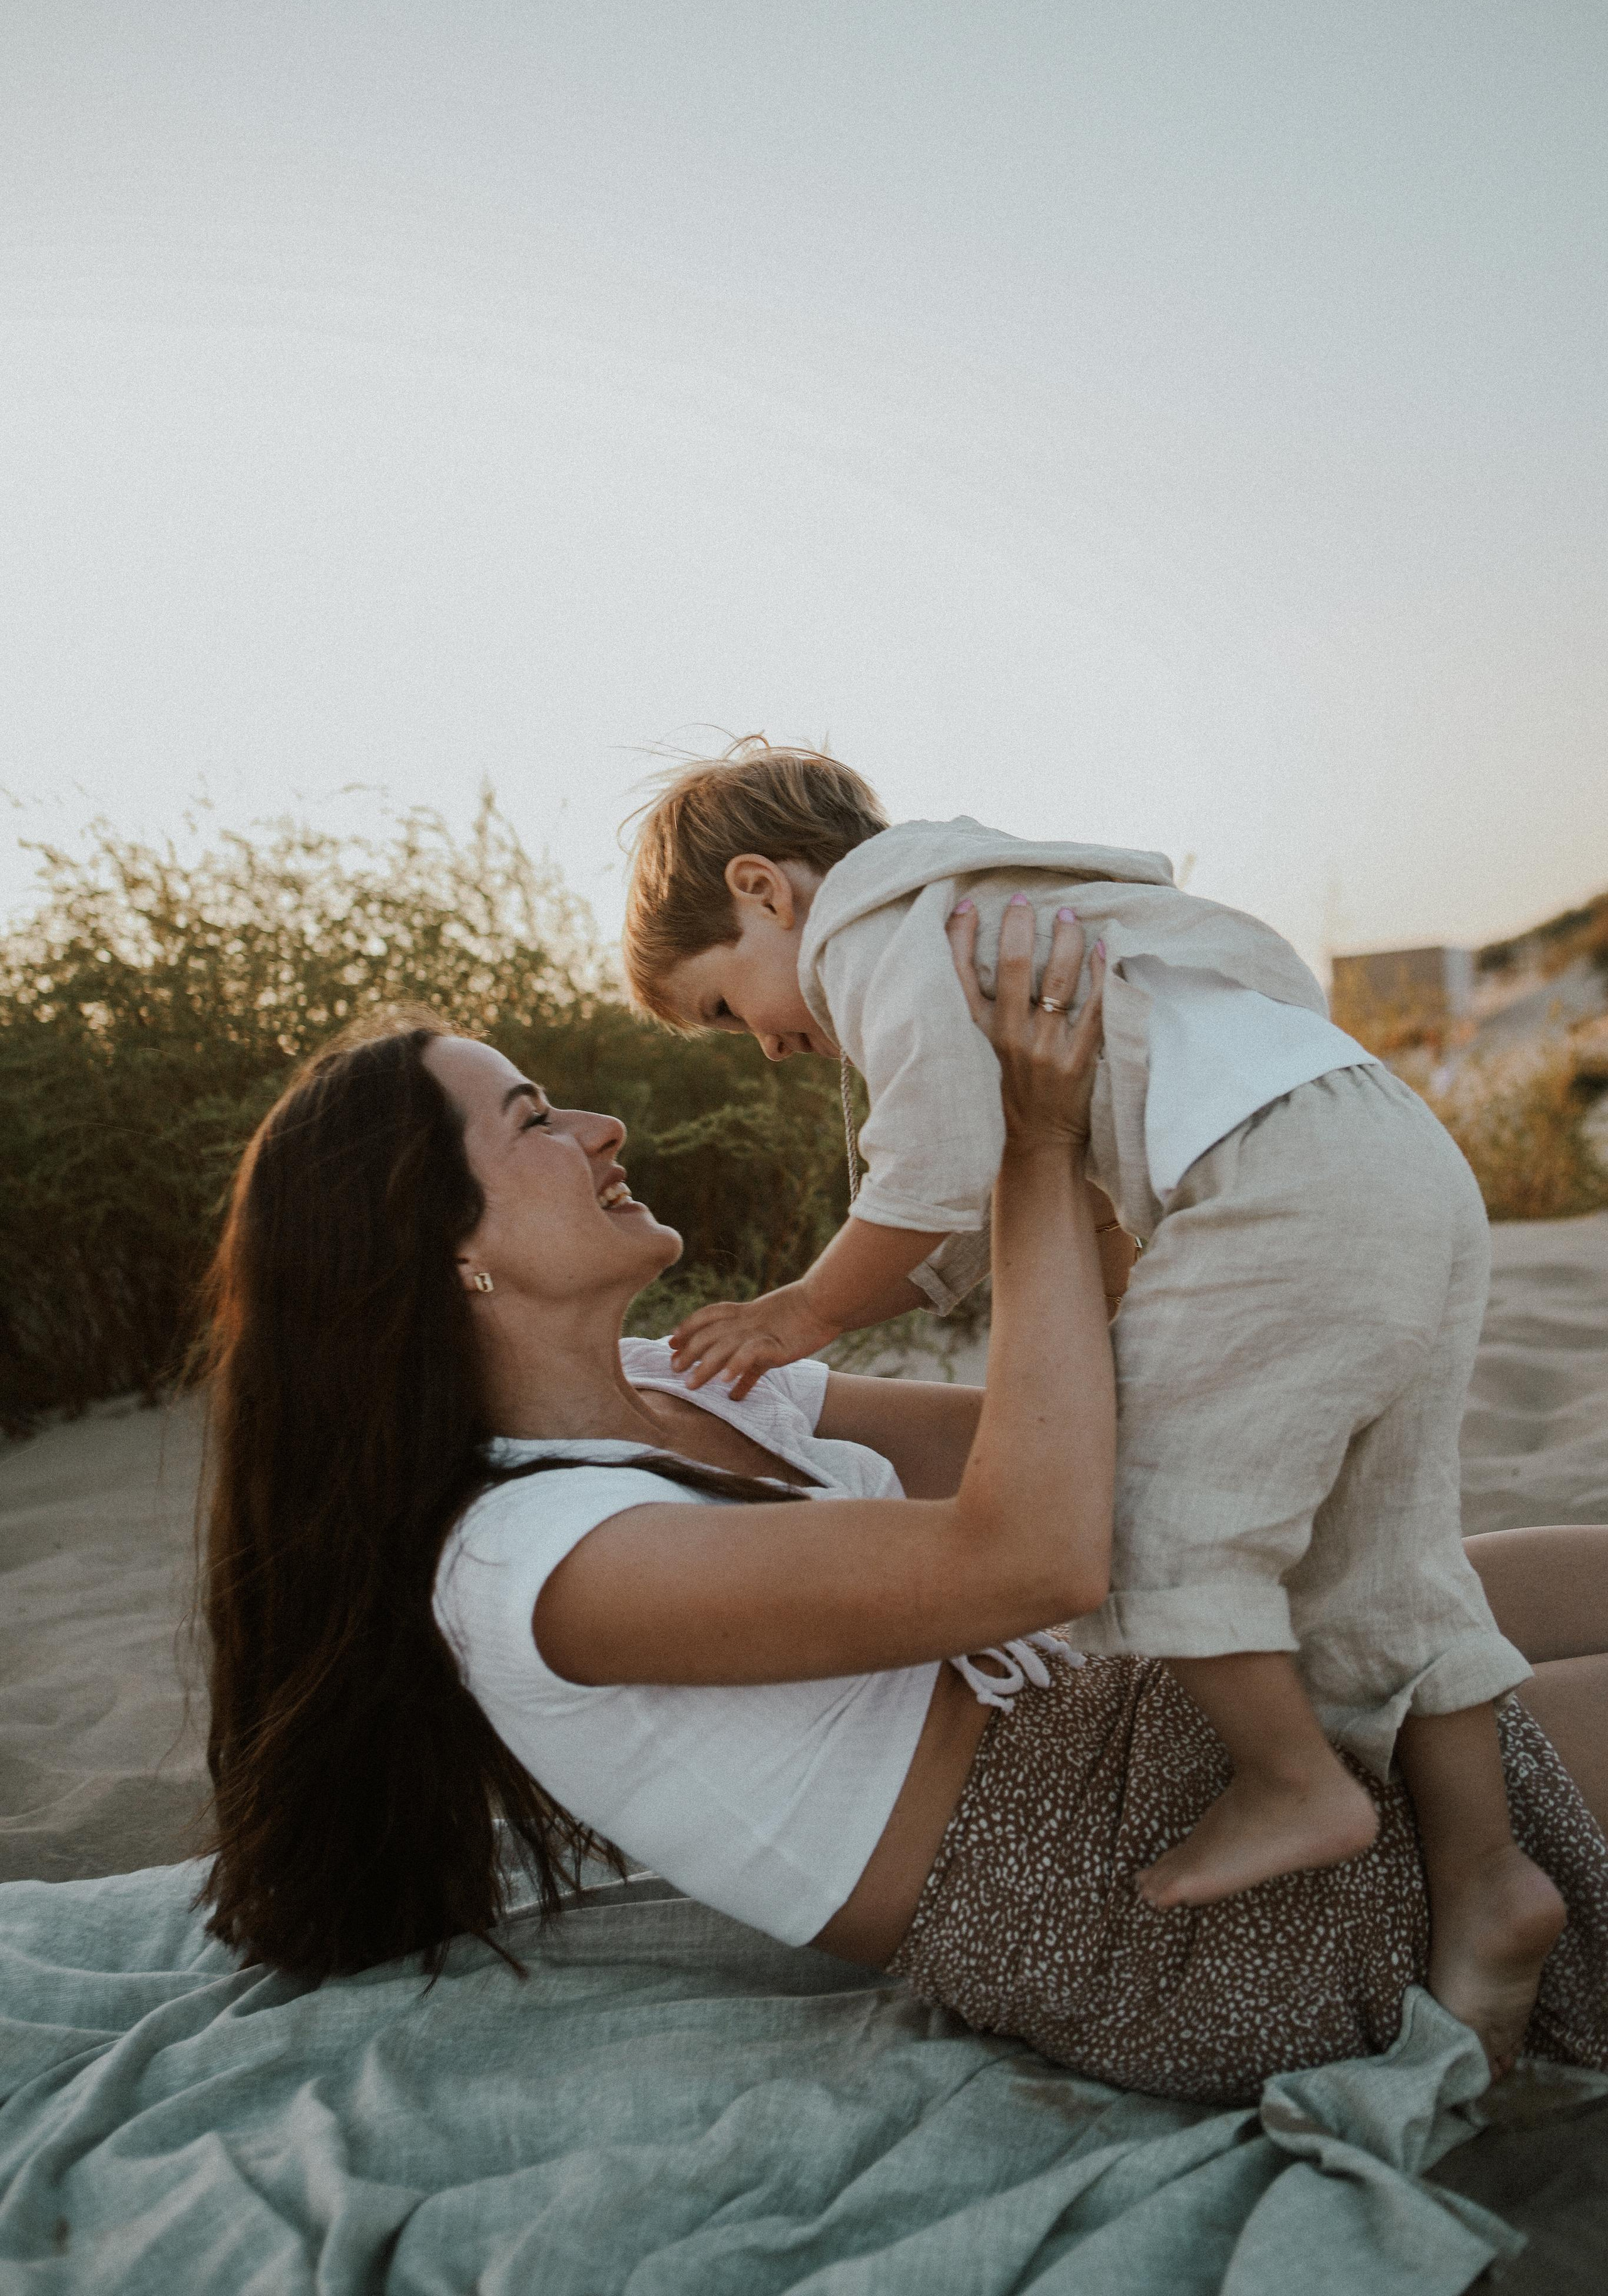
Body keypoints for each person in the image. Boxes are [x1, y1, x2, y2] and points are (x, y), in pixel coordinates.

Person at [195, 913, 1608, 2101]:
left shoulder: (678, 1382)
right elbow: (1035, 1551)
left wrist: (1106, 1132)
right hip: (1135, 1906)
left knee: (1447, 1593)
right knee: (1508, 1712)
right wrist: (1025, 1155)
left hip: (1157, 1727)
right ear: (444, 1251)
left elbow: (1087, 1450)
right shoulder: (532, 1562)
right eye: (533, 1120)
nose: (600, 1122)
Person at [619, 741, 1566, 2064]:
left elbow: (933, 1163)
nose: (767, 1046)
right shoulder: (1022, 899)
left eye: (724, 1008)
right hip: (1391, 1156)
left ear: (764, 891)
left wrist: (805, 1310)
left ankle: (1292, 1780)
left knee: (1150, 1507)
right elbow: (963, 1230)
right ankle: (1489, 1885)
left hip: (1272, 1195)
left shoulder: (877, 934)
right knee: (1379, 1562)